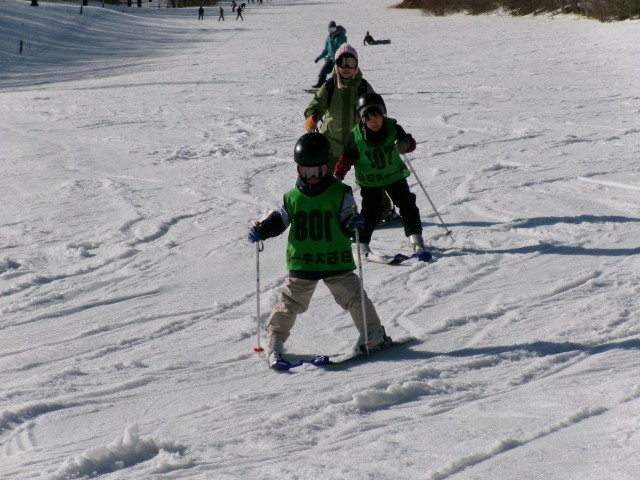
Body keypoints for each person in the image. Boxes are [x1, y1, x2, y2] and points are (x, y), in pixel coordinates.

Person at [247, 133, 390, 368]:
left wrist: (352, 224)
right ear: (298, 169)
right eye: (307, 172)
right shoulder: (292, 197)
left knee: (354, 296)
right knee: (290, 302)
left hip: (335, 259)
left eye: (318, 171)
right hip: (304, 260)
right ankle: (274, 338)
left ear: (327, 167)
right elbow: (279, 220)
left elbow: (347, 218)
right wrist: (262, 230)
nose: (312, 178)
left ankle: (372, 333)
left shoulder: (340, 192)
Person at [304, 43, 400, 223]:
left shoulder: (363, 87)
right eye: (342, 62)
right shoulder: (330, 86)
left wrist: (383, 130)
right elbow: (317, 104)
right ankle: (324, 210)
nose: (346, 67)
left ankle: (384, 210)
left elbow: (376, 109)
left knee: (372, 178)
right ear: (336, 65)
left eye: (351, 62)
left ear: (356, 65)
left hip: (360, 144)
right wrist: (312, 115)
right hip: (331, 144)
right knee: (326, 181)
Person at [334, 93, 431, 257]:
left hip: (394, 176)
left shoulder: (393, 128)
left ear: (383, 114)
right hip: (370, 181)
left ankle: (415, 238)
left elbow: (410, 142)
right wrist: (337, 177)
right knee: (370, 212)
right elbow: (346, 159)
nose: (374, 121)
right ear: (362, 119)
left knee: (407, 206)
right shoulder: (355, 137)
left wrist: (405, 144)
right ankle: (362, 243)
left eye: (377, 116)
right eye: (369, 118)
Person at [311, 21, 347, 89]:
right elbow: (326, 50)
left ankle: (339, 86)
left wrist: (339, 58)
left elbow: (343, 48)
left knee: (337, 74)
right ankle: (320, 84)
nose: (331, 31)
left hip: (338, 60)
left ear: (336, 28)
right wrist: (319, 57)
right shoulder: (328, 38)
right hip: (330, 59)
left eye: (333, 29)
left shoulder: (341, 36)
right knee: (323, 71)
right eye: (330, 30)